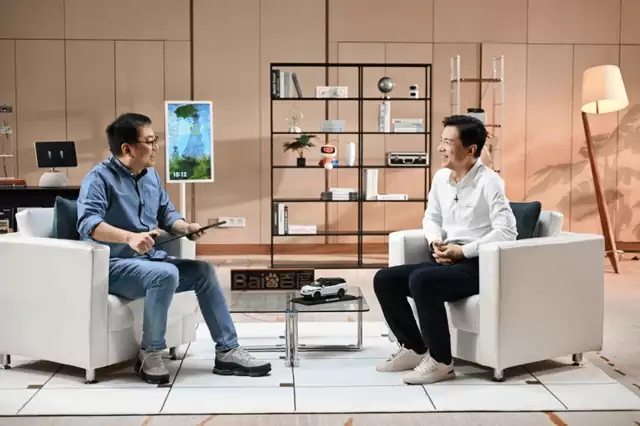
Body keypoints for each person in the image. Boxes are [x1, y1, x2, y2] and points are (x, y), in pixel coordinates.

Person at [76, 112, 272, 384]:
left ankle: (227, 351)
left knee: (203, 271)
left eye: (155, 139)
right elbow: (88, 223)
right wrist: (129, 238)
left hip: (149, 261)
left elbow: (167, 214)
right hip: (112, 266)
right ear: (127, 148)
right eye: (150, 141)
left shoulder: (151, 177)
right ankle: (149, 353)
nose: (156, 146)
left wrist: (186, 227)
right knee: (165, 274)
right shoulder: (99, 178)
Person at [373, 115, 517, 385]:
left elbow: (508, 231)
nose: (441, 147)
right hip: (446, 258)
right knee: (385, 279)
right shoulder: (440, 178)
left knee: (422, 280)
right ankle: (415, 349)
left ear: (470, 149)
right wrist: (435, 241)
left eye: (448, 142)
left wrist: (464, 252)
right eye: (441, 141)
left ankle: (441, 363)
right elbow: (432, 217)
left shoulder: (490, 182)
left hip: (478, 264)